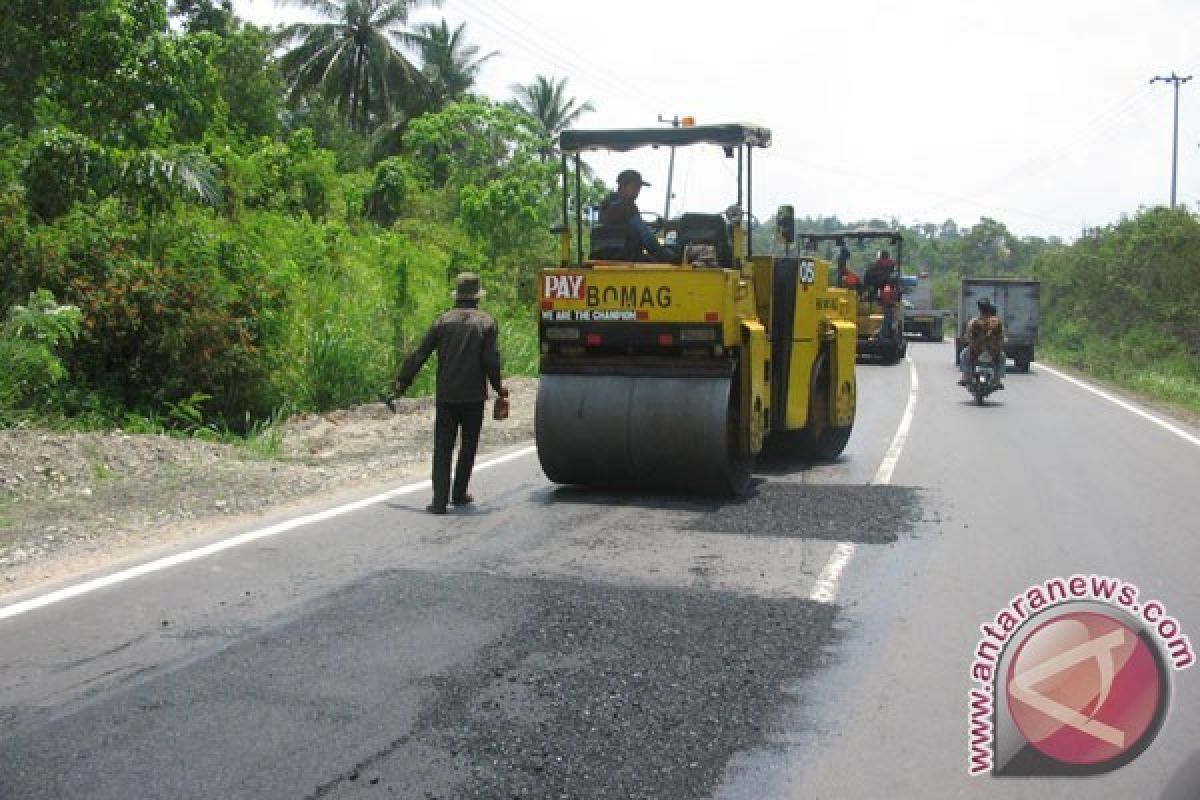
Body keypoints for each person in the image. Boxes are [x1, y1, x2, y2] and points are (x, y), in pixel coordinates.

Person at [393, 272, 508, 514]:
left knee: (443, 446)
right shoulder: (486, 323)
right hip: (473, 396)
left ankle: (439, 501)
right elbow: (490, 361)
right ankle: (459, 493)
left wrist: (402, 384)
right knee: (468, 445)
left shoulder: (442, 322)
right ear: (477, 297)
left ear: (458, 296)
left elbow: (419, 354)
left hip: (446, 395)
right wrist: (499, 388)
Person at [598, 169, 676, 262]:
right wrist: (666, 256)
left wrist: (651, 225)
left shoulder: (607, 205)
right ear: (622, 186)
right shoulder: (627, 206)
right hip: (626, 259)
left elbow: (629, 226)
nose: (638, 191)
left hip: (604, 257)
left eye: (639, 188)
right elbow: (646, 237)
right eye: (634, 187)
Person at [958, 298, 1006, 388]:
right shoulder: (997, 322)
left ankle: (966, 376)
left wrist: (967, 340)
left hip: (976, 351)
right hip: (993, 352)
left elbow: (968, 336)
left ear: (979, 309)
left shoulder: (974, 322)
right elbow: (1002, 337)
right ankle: (997, 379)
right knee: (1002, 357)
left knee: (963, 354)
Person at [863, 250, 899, 340]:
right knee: (888, 316)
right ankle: (884, 333)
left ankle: (869, 295)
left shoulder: (878, 264)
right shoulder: (892, 263)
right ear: (887, 256)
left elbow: (871, 272)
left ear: (882, 256)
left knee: (871, 280)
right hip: (885, 285)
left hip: (878, 284)